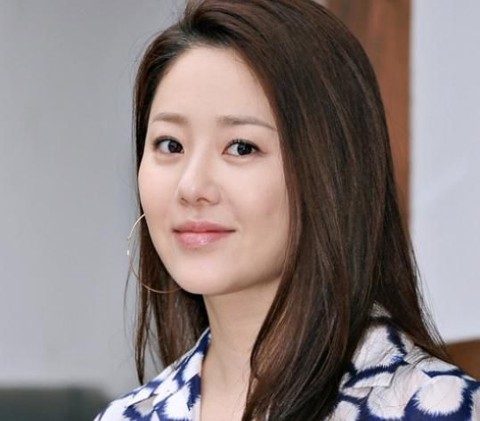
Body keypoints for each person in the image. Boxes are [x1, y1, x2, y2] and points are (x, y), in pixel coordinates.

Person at [95, 0, 480, 420]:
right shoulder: (127, 415)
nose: (191, 187)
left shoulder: (435, 408)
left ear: (332, 171)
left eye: (241, 147)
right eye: (170, 144)